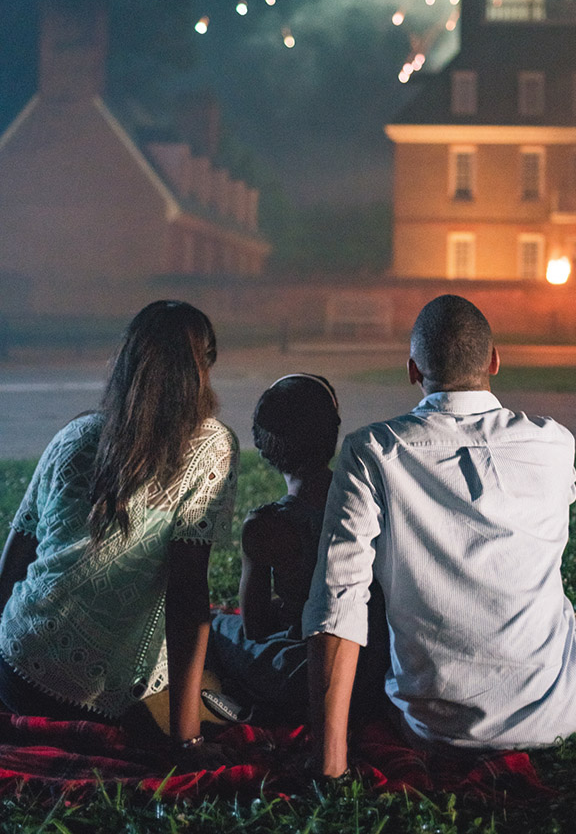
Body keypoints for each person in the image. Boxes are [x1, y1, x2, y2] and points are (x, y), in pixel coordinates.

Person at [304, 294, 576, 779]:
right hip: (562, 716)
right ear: (494, 361)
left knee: (378, 601)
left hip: (438, 728)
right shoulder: (555, 443)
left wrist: (330, 770)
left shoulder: (372, 452)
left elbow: (337, 600)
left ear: (413, 369)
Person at [0, 300, 238, 766]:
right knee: (219, 677)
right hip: (95, 697)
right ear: (203, 367)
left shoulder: (75, 433)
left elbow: (13, 561)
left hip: (13, 665)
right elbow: (188, 597)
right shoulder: (210, 447)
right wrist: (186, 741)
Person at [205, 373, 340, 724]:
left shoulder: (267, 525)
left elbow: (255, 627)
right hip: (372, 670)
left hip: (303, 676)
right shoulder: (369, 504)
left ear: (264, 446)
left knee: (217, 626)